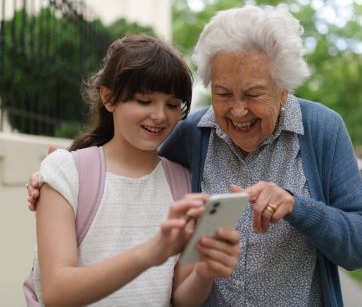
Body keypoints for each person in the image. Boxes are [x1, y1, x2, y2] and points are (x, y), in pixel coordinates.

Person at [27, 6, 362, 307]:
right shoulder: (190, 133)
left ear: (283, 90)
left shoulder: (321, 129)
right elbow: (130, 162)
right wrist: (60, 174)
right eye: (224, 92)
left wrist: (299, 208)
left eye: (254, 93)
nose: (237, 111)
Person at [26, 33, 240, 307]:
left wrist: (204, 271)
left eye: (173, 105)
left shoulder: (182, 179)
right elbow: (58, 293)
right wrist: (151, 253)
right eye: (144, 100)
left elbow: (181, 299)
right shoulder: (66, 171)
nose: (161, 115)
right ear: (109, 98)